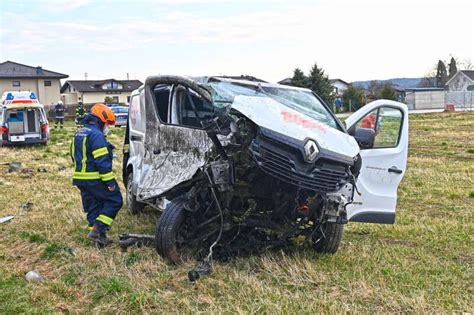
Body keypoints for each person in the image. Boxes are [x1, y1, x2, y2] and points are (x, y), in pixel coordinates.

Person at [70, 103, 123, 247]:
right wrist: (110, 183)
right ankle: (98, 230)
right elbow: (102, 162)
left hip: (80, 178)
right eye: (107, 124)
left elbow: (73, 155)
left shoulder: (79, 132)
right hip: (95, 178)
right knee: (115, 200)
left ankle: (98, 240)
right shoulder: (97, 135)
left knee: (94, 205)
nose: (108, 127)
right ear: (101, 120)